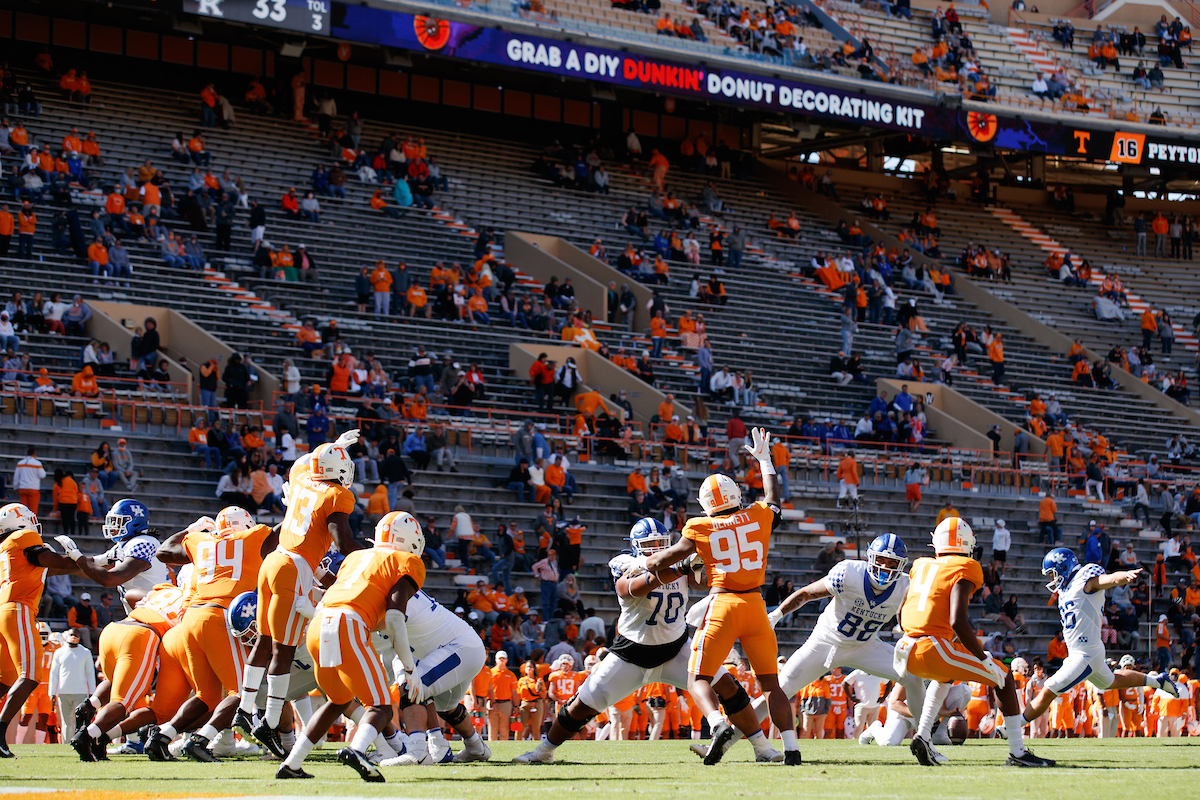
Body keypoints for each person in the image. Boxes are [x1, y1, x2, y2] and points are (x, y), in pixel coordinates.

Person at [515, 519, 753, 764]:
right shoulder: (625, 562)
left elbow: (704, 580)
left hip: (675, 647)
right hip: (631, 652)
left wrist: (710, 559)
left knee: (728, 685)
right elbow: (634, 585)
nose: (657, 548)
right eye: (650, 544)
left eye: (661, 543)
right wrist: (679, 566)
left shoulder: (678, 565)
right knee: (582, 703)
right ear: (637, 546)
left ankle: (762, 747)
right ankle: (543, 752)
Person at [643, 428, 801, 764]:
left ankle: (717, 724)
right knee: (772, 685)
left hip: (724, 604)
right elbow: (773, 498)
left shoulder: (699, 526)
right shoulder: (758, 515)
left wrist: (651, 562)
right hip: (756, 606)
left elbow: (662, 561)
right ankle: (792, 749)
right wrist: (764, 460)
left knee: (697, 677)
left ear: (706, 505)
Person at [702, 535, 926, 760]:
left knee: (913, 676)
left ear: (901, 566)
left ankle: (924, 739)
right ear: (870, 558)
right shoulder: (849, 573)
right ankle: (725, 742)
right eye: (881, 560)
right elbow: (807, 593)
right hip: (826, 642)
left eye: (892, 563)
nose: (885, 568)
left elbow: (914, 618)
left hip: (865, 646)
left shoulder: (906, 587)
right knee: (780, 690)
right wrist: (777, 615)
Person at [236, 433, 362, 758]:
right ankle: (269, 720)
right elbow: (344, 544)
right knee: (285, 651)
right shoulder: (337, 495)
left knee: (265, 642)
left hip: (274, 560)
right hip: (294, 569)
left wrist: (332, 446)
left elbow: (305, 462)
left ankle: (245, 709)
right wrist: (372, 555)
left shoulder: (302, 477)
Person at [895, 518, 1052, 767]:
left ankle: (923, 736)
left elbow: (902, 610)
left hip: (905, 646)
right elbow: (958, 620)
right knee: (1003, 675)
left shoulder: (921, 565)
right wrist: (982, 657)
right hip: (932, 647)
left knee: (945, 676)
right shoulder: (966, 566)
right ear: (965, 543)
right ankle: (1018, 753)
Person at [1019, 549, 1178, 733]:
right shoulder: (1066, 589)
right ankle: (1157, 681)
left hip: (1085, 653)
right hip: (1082, 650)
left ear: (1063, 567)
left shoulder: (1084, 580)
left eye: (1053, 574)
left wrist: (1123, 576)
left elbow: (1107, 580)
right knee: (1109, 681)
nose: (1051, 580)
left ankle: (1013, 727)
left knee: (1049, 689)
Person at [0, 503, 82, 756]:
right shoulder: (24, 537)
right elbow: (51, 560)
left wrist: (96, 562)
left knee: (5, 679)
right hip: (19, 608)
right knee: (30, 674)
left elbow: (54, 567)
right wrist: (78, 556)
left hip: (4, 608)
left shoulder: (7, 546)